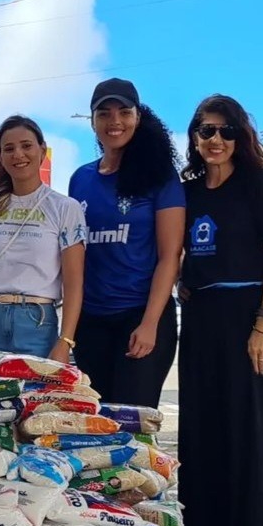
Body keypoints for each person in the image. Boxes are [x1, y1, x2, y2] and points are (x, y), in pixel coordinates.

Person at [178, 95, 263, 526]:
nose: (216, 141)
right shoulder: (188, 190)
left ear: (240, 136)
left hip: (250, 321)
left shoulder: (258, 184)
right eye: (207, 131)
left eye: (226, 131)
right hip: (203, 322)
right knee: (204, 433)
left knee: (247, 433)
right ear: (194, 137)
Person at [69, 78, 184, 406]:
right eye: (103, 113)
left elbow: (169, 256)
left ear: (138, 117)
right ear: (92, 122)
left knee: (134, 424)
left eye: (124, 112)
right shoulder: (80, 179)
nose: (114, 121)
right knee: (95, 422)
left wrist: (149, 324)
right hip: (91, 322)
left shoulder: (160, 176)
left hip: (140, 318)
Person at [0, 116, 86, 359]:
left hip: (36, 320)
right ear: (1, 157)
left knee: (33, 395)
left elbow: (73, 281)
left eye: (26, 146)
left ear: (42, 151)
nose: (18, 154)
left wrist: (65, 340)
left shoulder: (65, 208)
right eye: (9, 149)